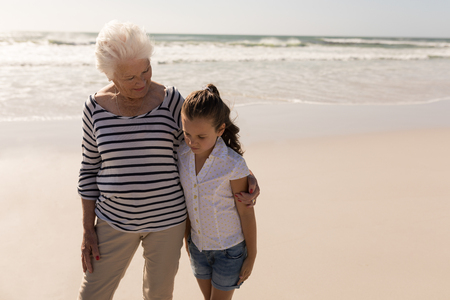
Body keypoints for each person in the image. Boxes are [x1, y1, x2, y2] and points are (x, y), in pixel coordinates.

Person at [77, 20, 259, 300]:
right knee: (92, 295)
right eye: (130, 78)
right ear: (110, 75)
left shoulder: (172, 100)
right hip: (114, 221)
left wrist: (247, 176)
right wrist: (88, 229)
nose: (142, 81)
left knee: (159, 296)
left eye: (146, 69)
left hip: (168, 222)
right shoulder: (94, 109)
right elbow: (89, 170)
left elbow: (207, 137)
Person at [178, 84, 257, 300]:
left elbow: (246, 212)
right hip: (197, 248)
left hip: (229, 250)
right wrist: (187, 241)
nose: (192, 142)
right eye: (187, 134)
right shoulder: (181, 155)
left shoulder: (232, 164)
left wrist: (252, 255)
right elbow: (187, 203)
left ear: (220, 130)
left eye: (201, 137)